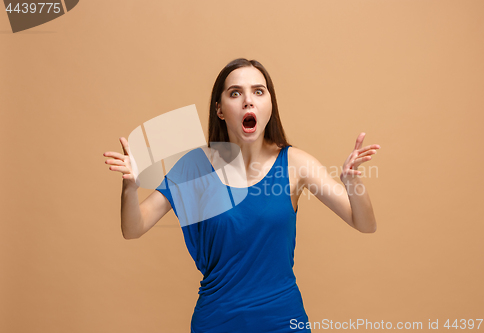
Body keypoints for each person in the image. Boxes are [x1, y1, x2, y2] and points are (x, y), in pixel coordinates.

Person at [103, 58, 381, 332]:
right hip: (216, 323)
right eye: (235, 93)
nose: (248, 100)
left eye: (258, 91)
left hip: (283, 322)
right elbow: (133, 228)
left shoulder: (296, 163)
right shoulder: (195, 167)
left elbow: (365, 224)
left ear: (270, 105)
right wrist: (130, 186)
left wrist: (353, 183)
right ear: (220, 110)